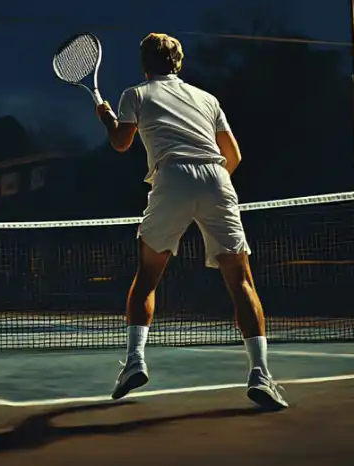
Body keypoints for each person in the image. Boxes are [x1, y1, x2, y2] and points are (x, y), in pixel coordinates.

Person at [96, 32, 288, 410]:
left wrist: (107, 118)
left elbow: (121, 143)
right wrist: (212, 188)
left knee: (147, 277)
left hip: (170, 178)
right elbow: (233, 155)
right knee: (241, 281)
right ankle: (261, 375)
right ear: (178, 64)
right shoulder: (208, 99)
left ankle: (135, 361)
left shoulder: (135, 94)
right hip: (217, 178)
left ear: (145, 64)